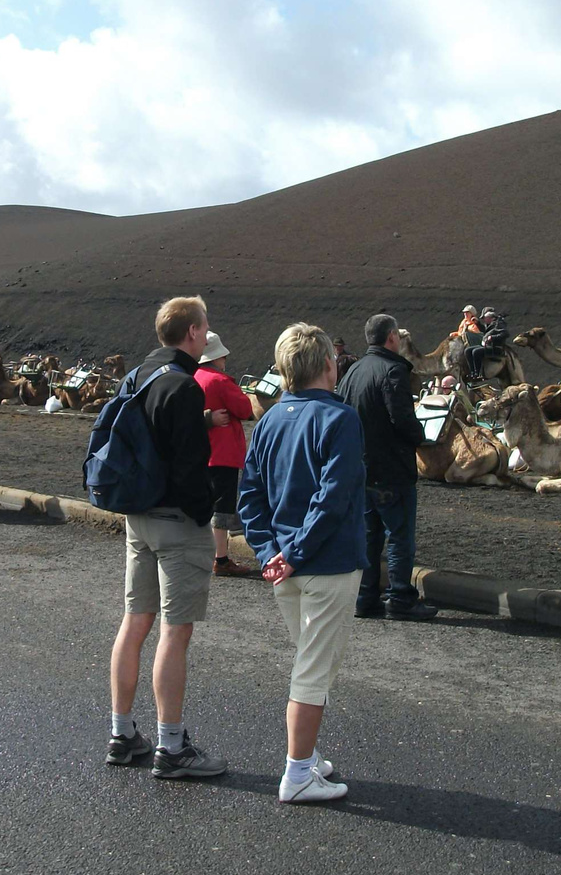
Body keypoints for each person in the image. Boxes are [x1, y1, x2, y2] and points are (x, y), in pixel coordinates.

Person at [239, 322, 367, 802]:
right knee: (314, 668)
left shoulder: (270, 419)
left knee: (314, 661)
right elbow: (333, 498)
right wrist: (290, 554)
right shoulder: (341, 420)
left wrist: (269, 549)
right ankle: (296, 773)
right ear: (329, 365)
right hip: (325, 562)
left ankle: (307, 758)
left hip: (283, 564)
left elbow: (250, 492)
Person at [105, 295, 226, 779]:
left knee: (135, 622)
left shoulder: (136, 376)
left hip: (138, 518)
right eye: (205, 326)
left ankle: (122, 734)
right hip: (179, 522)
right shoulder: (186, 385)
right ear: (193, 333)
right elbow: (191, 465)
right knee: (175, 633)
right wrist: (205, 514)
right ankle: (171, 746)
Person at [338, 313, 438, 621]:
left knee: (369, 536)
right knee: (399, 535)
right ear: (392, 337)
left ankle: (366, 597)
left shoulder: (352, 372)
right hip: (392, 470)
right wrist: (421, 438)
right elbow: (402, 420)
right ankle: (400, 597)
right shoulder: (393, 371)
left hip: (361, 469)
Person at [195, 331, 257, 578]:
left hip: (202, 452)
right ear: (216, 357)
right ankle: (220, 559)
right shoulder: (219, 381)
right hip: (223, 453)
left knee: (206, 505)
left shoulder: (194, 377)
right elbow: (244, 409)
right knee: (222, 508)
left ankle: (206, 554)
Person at [465, 307, 509, 382]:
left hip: (496, 348)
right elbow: (485, 331)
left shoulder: (499, 323)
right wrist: (478, 323)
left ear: (490, 318)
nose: (484, 320)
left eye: (484, 318)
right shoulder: (489, 324)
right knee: (468, 350)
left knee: (476, 352)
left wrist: (492, 338)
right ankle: (473, 373)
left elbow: (505, 334)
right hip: (487, 346)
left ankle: (478, 374)